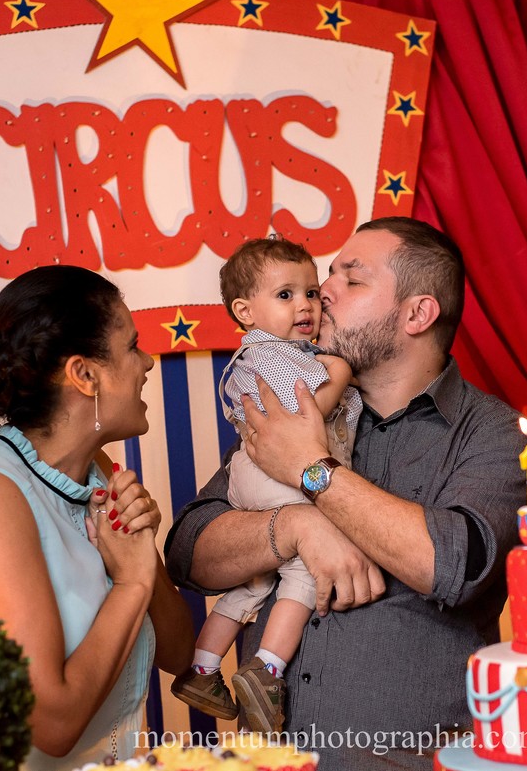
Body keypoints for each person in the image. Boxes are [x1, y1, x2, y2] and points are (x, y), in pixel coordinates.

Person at [165, 217, 527, 768]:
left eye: (350, 280)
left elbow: (456, 563)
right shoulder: (296, 403)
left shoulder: (490, 432)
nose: (323, 292)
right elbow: (190, 552)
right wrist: (296, 527)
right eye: (326, 277)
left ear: (416, 313)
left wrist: (313, 468)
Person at [0, 266, 195, 771]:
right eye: (132, 347)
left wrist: (141, 548)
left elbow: (178, 654)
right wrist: (130, 582)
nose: (148, 362)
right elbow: (53, 724)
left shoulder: (98, 474)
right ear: (84, 375)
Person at [170, 237, 362, 733]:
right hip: (272, 473)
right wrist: (339, 373)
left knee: (253, 578)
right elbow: (306, 420)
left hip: (252, 476)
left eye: (312, 293)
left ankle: (205, 667)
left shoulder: (284, 352)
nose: (305, 305)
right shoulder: (269, 354)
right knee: (304, 566)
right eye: (285, 295)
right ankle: (268, 669)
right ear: (244, 311)